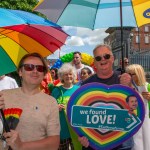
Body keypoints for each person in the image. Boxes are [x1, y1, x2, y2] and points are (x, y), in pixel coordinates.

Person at [0, 53, 60, 150]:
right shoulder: (3, 96)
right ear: (20, 72)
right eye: (29, 67)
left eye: (40, 68)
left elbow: (54, 142)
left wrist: (22, 146)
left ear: (44, 74)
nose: (35, 71)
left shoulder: (51, 102)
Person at [78, 44, 133, 150]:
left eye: (106, 56)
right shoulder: (86, 85)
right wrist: (81, 135)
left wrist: (129, 87)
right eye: (98, 58)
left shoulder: (124, 79)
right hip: (94, 144)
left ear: (112, 58)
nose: (103, 60)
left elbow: (137, 109)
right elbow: (79, 115)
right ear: (95, 62)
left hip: (121, 144)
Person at [51, 63, 81, 150]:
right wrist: (55, 108)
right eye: (66, 74)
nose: (68, 76)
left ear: (74, 75)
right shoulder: (56, 90)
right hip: (61, 130)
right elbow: (50, 108)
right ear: (62, 77)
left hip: (76, 129)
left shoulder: (78, 90)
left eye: (70, 74)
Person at [126, 64, 150, 150]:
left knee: (146, 139)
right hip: (132, 118)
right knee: (135, 142)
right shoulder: (126, 87)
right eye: (128, 74)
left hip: (145, 118)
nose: (130, 76)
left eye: (133, 74)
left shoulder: (147, 86)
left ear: (139, 74)